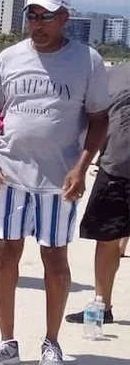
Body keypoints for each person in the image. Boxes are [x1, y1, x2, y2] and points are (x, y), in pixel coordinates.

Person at [0, 0, 110, 365]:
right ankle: (7, 341)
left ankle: (52, 343)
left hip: (59, 178)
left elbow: (99, 120)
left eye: (46, 16)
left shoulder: (87, 60)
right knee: (5, 252)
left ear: (65, 17)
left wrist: (81, 167)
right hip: (10, 174)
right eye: (32, 15)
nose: (38, 23)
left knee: (54, 257)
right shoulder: (11, 58)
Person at [65, 62, 130, 325]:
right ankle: (102, 306)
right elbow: (88, 115)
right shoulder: (110, 74)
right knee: (106, 238)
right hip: (116, 166)